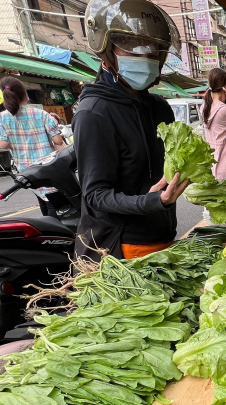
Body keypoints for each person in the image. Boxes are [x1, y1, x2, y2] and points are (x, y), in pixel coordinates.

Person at [74, 0, 191, 262]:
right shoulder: (94, 113)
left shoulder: (160, 108)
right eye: (132, 48)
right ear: (105, 50)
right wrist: (153, 202)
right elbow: (95, 195)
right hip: (122, 247)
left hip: (164, 235)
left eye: (153, 51)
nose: (145, 59)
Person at [0, 76, 64, 217]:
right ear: (24, 93)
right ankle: (55, 232)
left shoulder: (2, 117)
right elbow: (57, 141)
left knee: (41, 198)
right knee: (53, 201)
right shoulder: (41, 114)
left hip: (25, 169)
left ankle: (48, 230)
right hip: (46, 167)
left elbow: (3, 143)